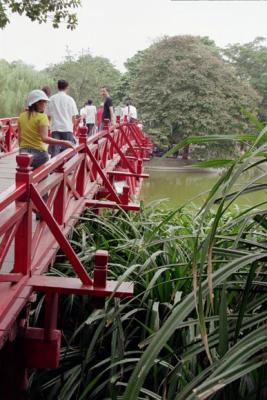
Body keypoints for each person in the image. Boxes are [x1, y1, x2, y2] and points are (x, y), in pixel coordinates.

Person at [18, 89, 75, 170]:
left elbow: (19, 137)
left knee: (26, 179)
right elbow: (44, 139)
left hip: (23, 153)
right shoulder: (42, 117)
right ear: (37, 103)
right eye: (44, 102)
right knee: (42, 181)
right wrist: (63, 142)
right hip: (39, 154)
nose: (45, 105)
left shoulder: (21, 116)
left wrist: (22, 150)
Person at [46, 79, 78, 157]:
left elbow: (48, 116)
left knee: (55, 152)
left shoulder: (52, 99)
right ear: (67, 87)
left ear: (57, 87)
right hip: (67, 127)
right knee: (68, 151)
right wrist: (74, 128)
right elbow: (74, 117)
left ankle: (54, 168)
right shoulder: (70, 99)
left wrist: (48, 127)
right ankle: (67, 167)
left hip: (55, 127)